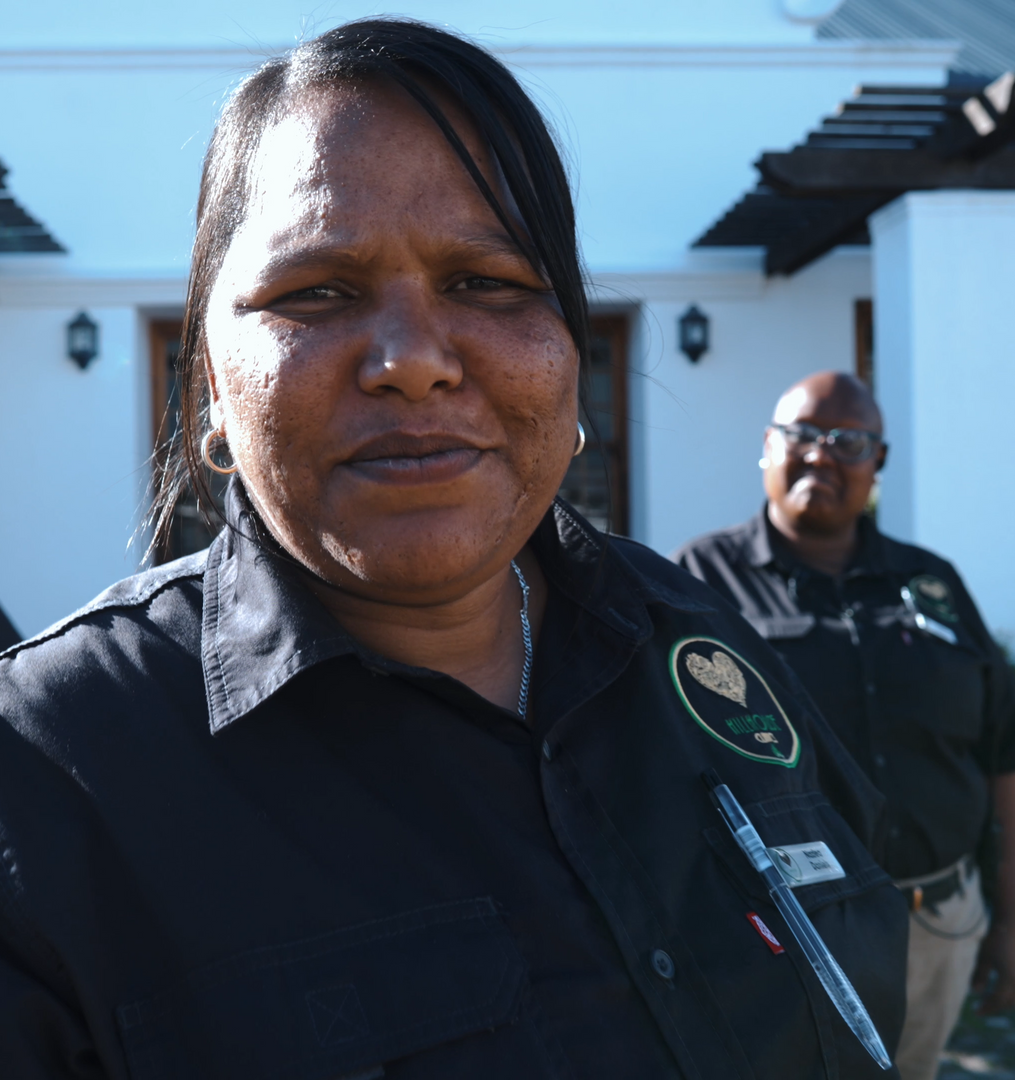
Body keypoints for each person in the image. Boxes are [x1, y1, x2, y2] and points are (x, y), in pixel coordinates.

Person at [0, 24, 907, 1079]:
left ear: (567, 348)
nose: (414, 362)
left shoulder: (693, 639)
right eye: (317, 293)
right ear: (209, 377)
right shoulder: (52, 770)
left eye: (486, 282)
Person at [675, 371, 1015, 1080]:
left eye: (848, 441)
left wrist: (1008, 916)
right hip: (782, 935)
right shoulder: (696, 583)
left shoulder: (933, 585)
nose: (821, 455)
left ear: (878, 462)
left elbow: (1000, 752)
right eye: (801, 435)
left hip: (938, 922)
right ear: (766, 446)